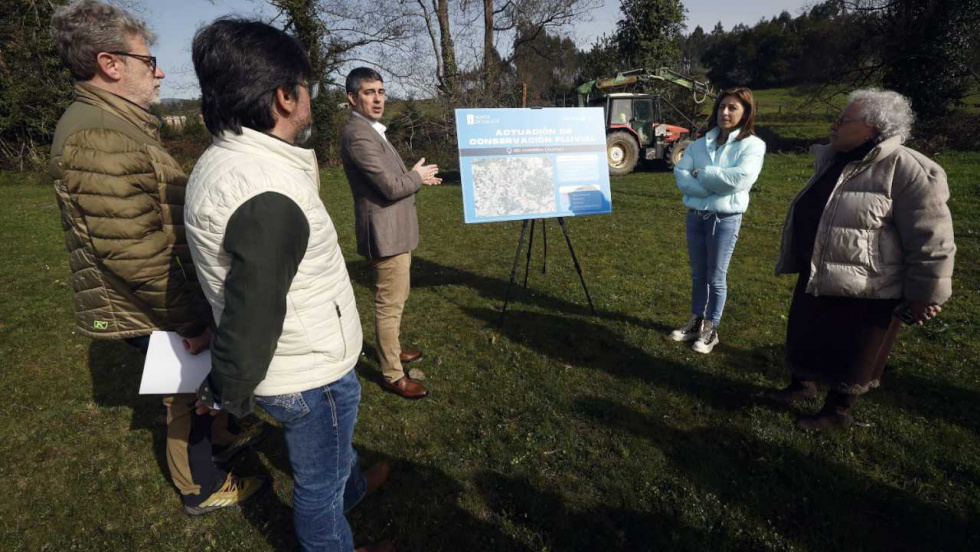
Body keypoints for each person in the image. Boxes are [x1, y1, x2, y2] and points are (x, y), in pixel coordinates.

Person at [48, 0, 265, 516]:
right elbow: (133, 250)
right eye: (149, 60)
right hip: (150, 303)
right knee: (182, 397)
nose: (159, 71)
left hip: (155, 299)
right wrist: (190, 318)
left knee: (191, 392)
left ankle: (214, 449)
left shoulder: (112, 125)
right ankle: (202, 487)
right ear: (111, 64)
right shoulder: (100, 136)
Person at [186, 19, 392, 552]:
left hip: (314, 356)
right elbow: (254, 310)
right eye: (306, 88)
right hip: (308, 371)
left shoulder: (233, 160)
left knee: (337, 447)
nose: (309, 99)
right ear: (283, 97)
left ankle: (351, 490)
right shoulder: (265, 186)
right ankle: (334, 531)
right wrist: (223, 391)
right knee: (316, 486)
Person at [769, 89, 955, 431]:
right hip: (820, 268)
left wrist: (926, 293)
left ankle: (837, 412)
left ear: (873, 128)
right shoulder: (835, 159)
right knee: (808, 331)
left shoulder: (908, 168)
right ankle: (802, 386)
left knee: (854, 349)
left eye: (844, 120)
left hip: (869, 284)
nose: (834, 125)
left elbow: (932, 237)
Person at [340, 68, 441, 399]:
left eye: (381, 91)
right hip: (385, 234)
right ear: (352, 98)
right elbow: (389, 185)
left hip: (393, 230)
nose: (378, 98)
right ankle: (392, 374)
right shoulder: (358, 135)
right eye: (369, 92)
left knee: (397, 299)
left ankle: (392, 351)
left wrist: (417, 179)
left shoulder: (370, 130)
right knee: (389, 305)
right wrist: (416, 176)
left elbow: (396, 180)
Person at [670, 87, 767, 353]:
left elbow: (740, 179)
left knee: (717, 276)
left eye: (732, 108)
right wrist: (712, 182)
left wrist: (702, 173)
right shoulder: (701, 143)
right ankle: (696, 321)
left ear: (746, 112)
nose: (725, 112)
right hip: (696, 217)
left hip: (724, 219)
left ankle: (711, 329)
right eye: (722, 107)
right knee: (699, 274)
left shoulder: (753, 145)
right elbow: (681, 175)